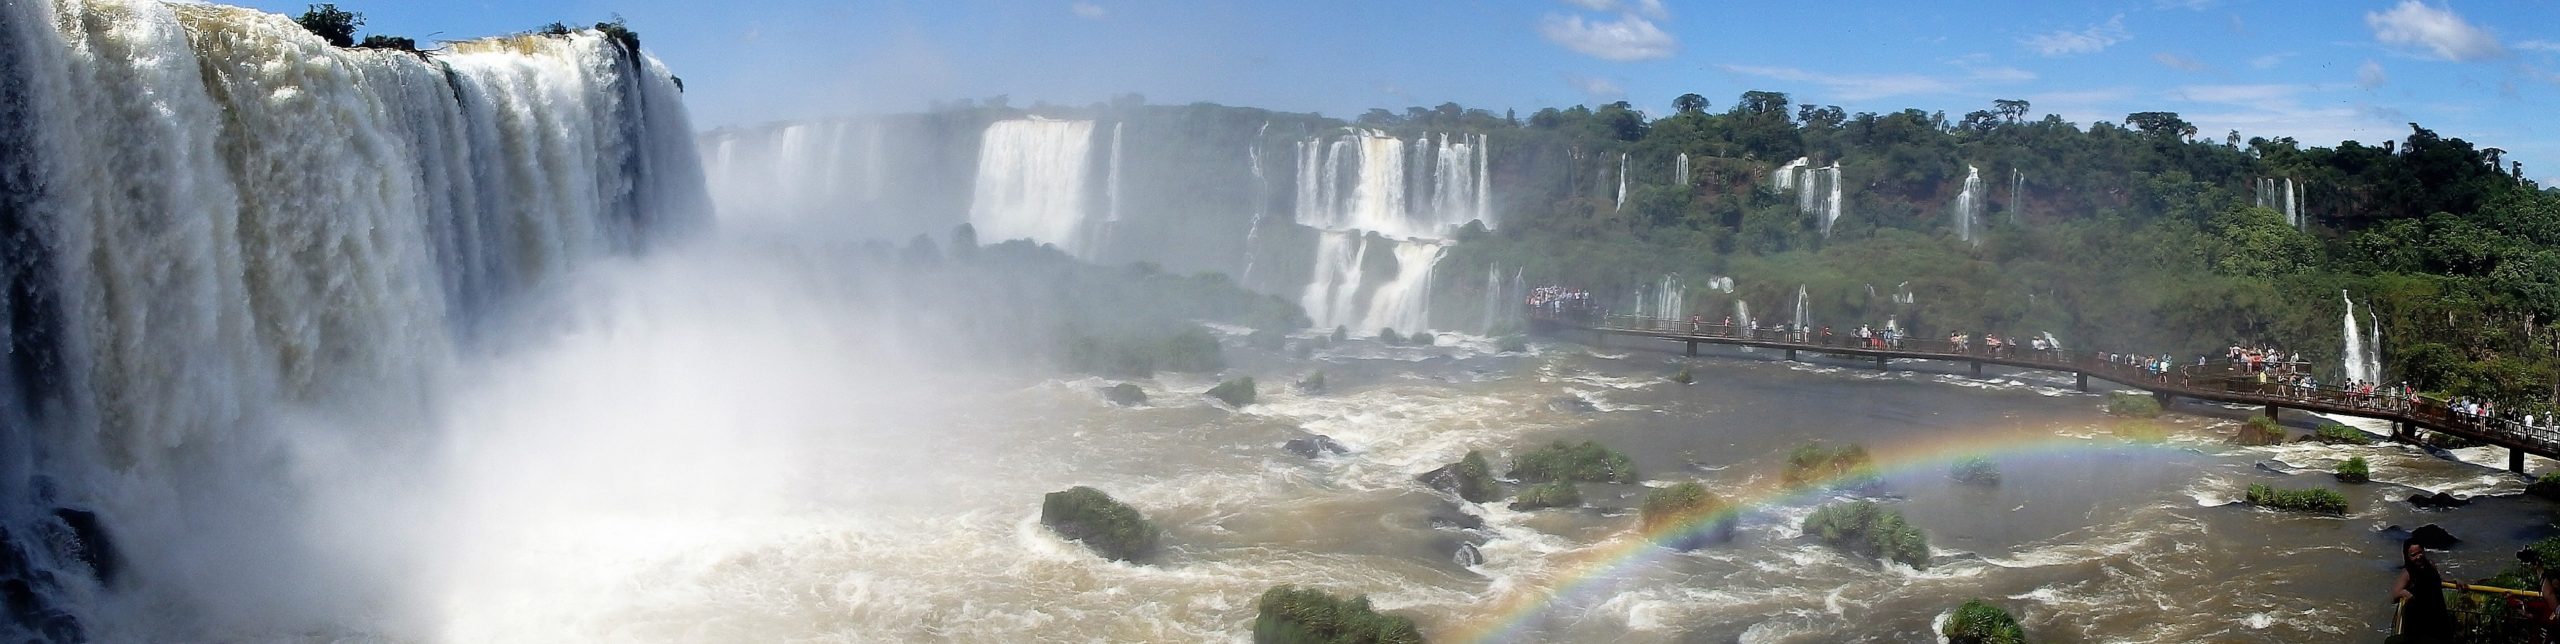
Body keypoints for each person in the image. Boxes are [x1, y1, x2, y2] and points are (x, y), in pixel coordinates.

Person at [2395, 539, 2464, 642]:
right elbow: (2395, 593)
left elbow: (2438, 582)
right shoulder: (2407, 573)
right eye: (2414, 555)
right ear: (2407, 557)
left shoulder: (2430, 565)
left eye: (2420, 552)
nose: (2419, 557)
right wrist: (2406, 593)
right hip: (2420, 623)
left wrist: (2454, 582)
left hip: (2439, 617)